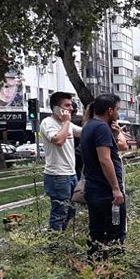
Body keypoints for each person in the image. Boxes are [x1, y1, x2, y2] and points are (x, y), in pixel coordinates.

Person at [79, 94, 129, 261]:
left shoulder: (89, 126)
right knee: (116, 233)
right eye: (117, 109)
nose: (118, 113)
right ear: (110, 110)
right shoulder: (101, 128)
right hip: (107, 192)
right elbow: (104, 159)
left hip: (93, 190)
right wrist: (115, 188)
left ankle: (94, 270)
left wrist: (114, 136)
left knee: (96, 233)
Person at [40, 92, 82, 230]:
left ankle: (62, 240)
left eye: (71, 105)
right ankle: (54, 247)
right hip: (57, 176)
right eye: (67, 105)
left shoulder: (67, 125)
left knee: (71, 211)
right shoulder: (48, 123)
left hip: (71, 174)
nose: (71, 108)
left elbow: (83, 132)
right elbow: (58, 140)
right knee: (59, 213)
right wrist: (67, 121)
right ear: (56, 108)